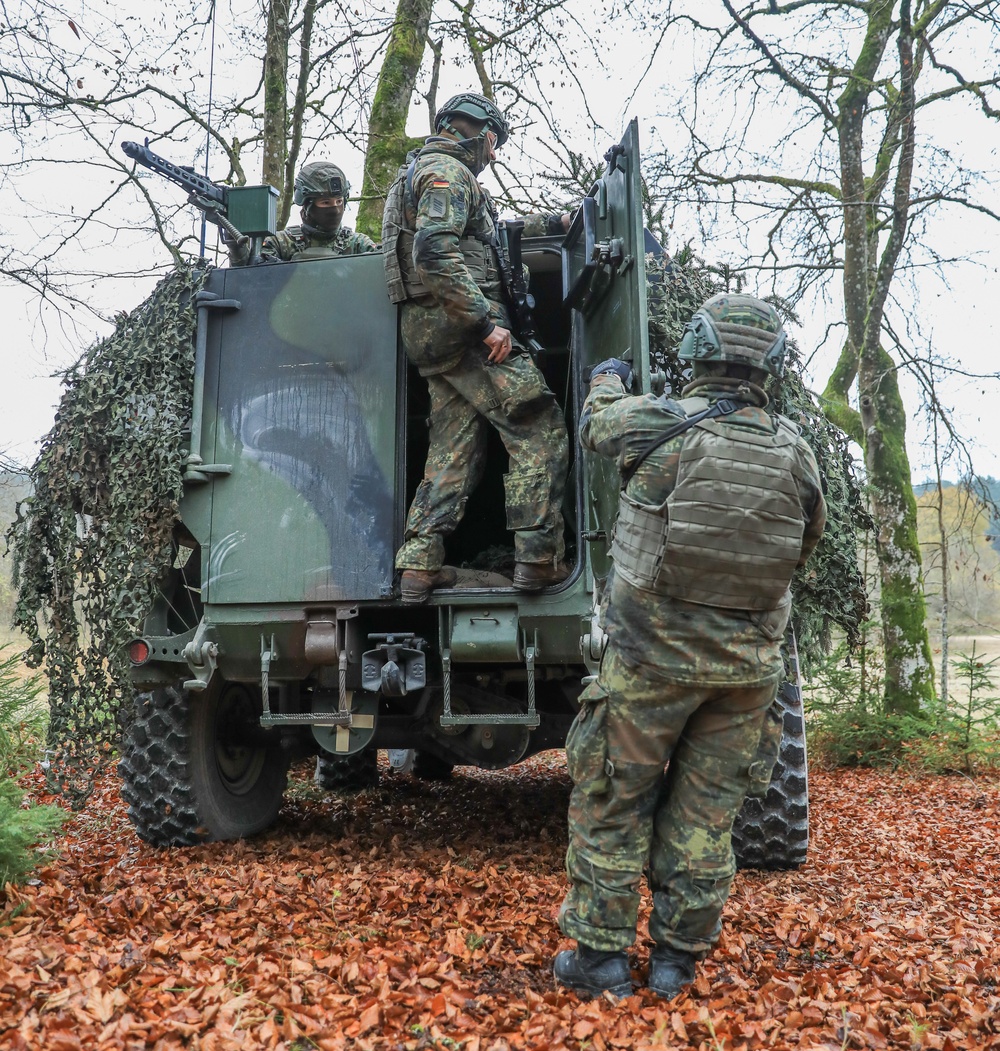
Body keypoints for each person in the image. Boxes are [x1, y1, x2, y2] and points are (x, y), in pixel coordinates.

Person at [553, 294, 827, 999]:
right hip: (745, 674)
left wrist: (606, 375)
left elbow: (595, 427)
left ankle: (600, 962)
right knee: (707, 818)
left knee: (615, 799)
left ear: (700, 346)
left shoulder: (662, 424)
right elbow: (806, 545)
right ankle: (676, 962)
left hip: (650, 660)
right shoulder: (795, 452)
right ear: (770, 365)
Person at [381, 92, 569, 603]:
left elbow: (483, 236)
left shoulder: (415, 175)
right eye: (495, 144)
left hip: (429, 335)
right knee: (537, 424)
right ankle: (538, 558)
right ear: (482, 134)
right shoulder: (447, 172)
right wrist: (485, 323)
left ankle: (419, 565)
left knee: (452, 448)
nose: (494, 155)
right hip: (463, 330)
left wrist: (552, 225)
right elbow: (434, 249)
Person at [226, 161, 377, 265]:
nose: (335, 209)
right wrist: (237, 250)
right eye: (325, 203)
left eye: (339, 201)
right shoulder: (281, 243)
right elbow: (251, 279)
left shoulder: (358, 244)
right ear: (307, 206)